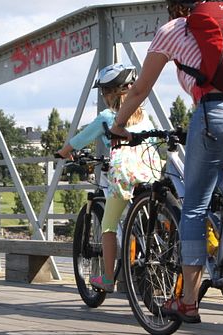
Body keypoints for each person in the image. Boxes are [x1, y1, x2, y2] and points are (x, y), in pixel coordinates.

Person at [109, 0, 223, 323]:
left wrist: (119, 124)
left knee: (195, 207)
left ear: (173, 6)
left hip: (218, 114)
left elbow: (140, 89)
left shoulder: (172, 30)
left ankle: (188, 301)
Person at [56, 63, 161, 293]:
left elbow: (81, 138)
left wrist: (64, 151)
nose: (102, 95)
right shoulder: (146, 118)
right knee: (147, 213)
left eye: (104, 91)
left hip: (124, 174)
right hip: (149, 171)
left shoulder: (106, 117)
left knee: (109, 226)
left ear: (109, 92)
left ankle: (107, 278)